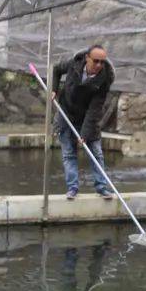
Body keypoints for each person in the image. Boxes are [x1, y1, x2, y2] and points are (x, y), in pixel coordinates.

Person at [50, 45, 115, 200]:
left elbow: (94, 109)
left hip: (88, 118)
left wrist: (84, 134)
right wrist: (54, 89)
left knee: (96, 154)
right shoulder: (74, 63)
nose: (99, 65)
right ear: (87, 58)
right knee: (69, 154)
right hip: (66, 113)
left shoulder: (104, 79)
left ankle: (101, 187)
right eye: (96, 61)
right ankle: (72, 188)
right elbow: (56, 70)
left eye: (102, 62)